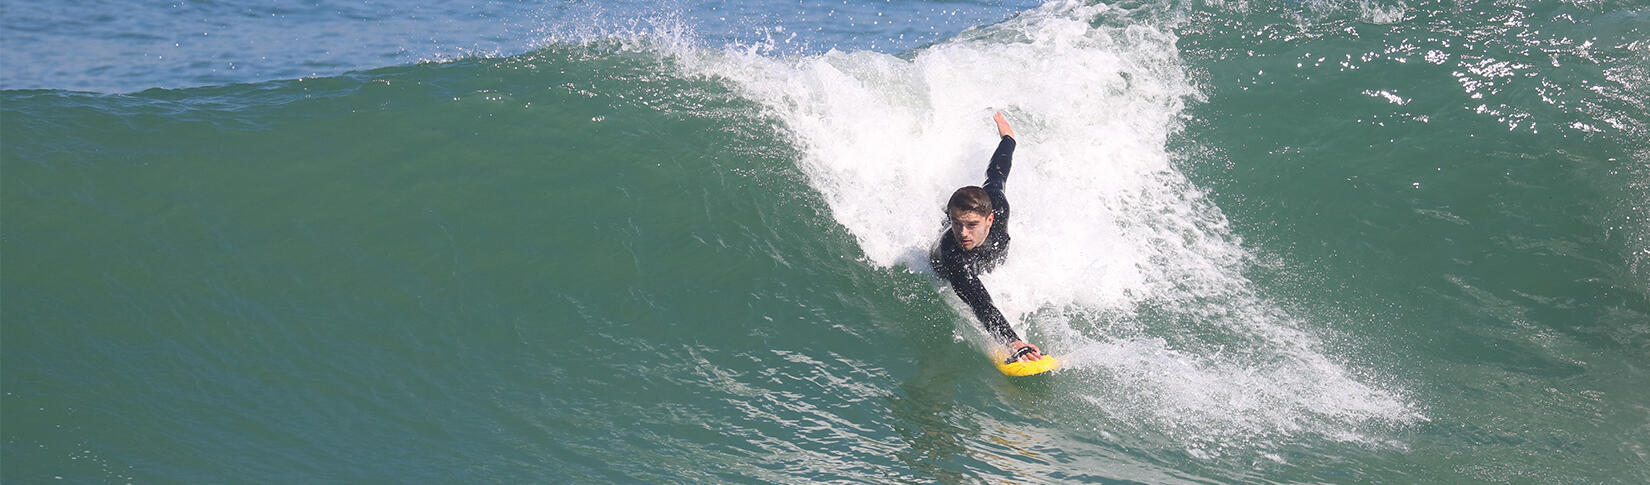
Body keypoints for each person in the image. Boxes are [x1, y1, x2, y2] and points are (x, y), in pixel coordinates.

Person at [929, 112, 1045, 363]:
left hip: (988, 254)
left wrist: (1008, 139)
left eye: (971, 225)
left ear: (989, 220)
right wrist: (1012, 341)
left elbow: (998, 171)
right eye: (957, 223)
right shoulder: (953, 254)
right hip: (951, 270)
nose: (963, 233)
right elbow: (980, 302)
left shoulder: (998, 206)